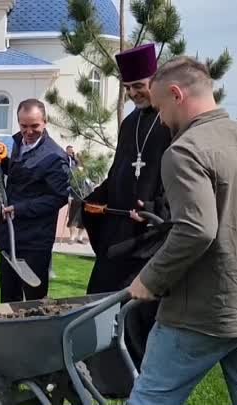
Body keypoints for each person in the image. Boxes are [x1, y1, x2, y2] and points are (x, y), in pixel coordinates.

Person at [126, 56, 237, 405]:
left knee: (151, 399)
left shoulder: (184, 151)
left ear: (176, 94)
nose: (161, 120)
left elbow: (196, 229)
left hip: (200, 315)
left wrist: (149, 280)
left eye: (160, 108)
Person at [81, 43, 172, 367]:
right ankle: (105, 373)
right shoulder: (129, 123)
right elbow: (120, 173)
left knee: (137, 311)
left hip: (151, 237)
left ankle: (139, 373)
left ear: (156, 81)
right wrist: (95, 200)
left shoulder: (171, 120)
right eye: (128, 88)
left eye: (139, 86)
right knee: (100, 297)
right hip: (119, 235)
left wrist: (156, 208)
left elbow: (180, 182)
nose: (134, 93)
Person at [0, 99, 71, 302]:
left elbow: (59, 197)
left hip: (35, 241)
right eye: (23, 126)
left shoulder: (55, 157)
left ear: (45, 122)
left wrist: (20, 209)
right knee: (8, 300)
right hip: (10, 237)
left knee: (34, 301)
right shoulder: (14, 144)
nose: (28, 132)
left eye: (34, 126)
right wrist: (1, 160)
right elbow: (18, 178)